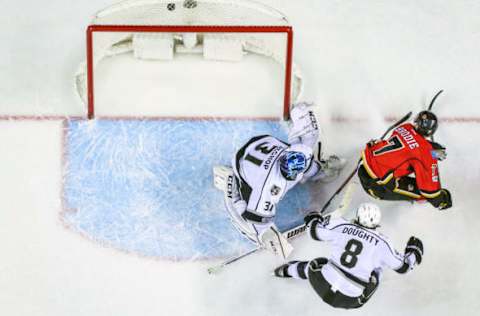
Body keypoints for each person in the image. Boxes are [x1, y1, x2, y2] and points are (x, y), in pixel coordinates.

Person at [213, 103, 346, 258]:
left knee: (307, 166)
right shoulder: (268, 187)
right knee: (250, 225)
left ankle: (317, 171)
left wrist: (300, 112)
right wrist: (267, 236)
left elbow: (308, 131)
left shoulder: (302, 151)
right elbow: (256, 220)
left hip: (262, 144)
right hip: (243, 164)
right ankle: (232, 186)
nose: (290, 175)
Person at [273, 203, 424, 309]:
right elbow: (404, 268)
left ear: (358, 216)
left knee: (319, 263)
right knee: (377, 270)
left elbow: (313, 233)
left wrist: (313, 218)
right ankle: (366, 280)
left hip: (321, 284)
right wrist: (414, 253)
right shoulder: (383, 243)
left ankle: (285, 271)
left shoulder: (343, 226)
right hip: (352, 301)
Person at [358, 110, 452, 210]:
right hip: (376, 186)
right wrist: (441, 200)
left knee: (405, 162)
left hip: (364, 162)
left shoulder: (405, 127)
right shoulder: (424, 152)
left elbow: (411, 147)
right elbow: (429, 190)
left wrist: (431, 150)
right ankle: (415, 202)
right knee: (423, 194)